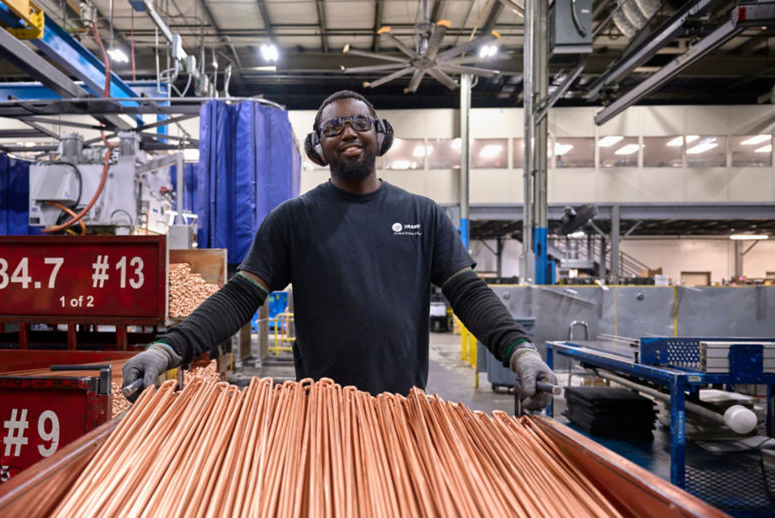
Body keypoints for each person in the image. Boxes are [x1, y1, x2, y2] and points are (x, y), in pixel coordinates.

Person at [123, 90, 557, 410]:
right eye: (333, 127)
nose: (348, 132)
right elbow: (239, 296)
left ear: (379, 135)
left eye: (360, 123)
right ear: (318, 146)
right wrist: (166, 349)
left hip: (404, 408)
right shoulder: (293, 219)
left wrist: (521, 352)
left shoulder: (423, 215)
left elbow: (470, 294)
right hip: (320, 411)